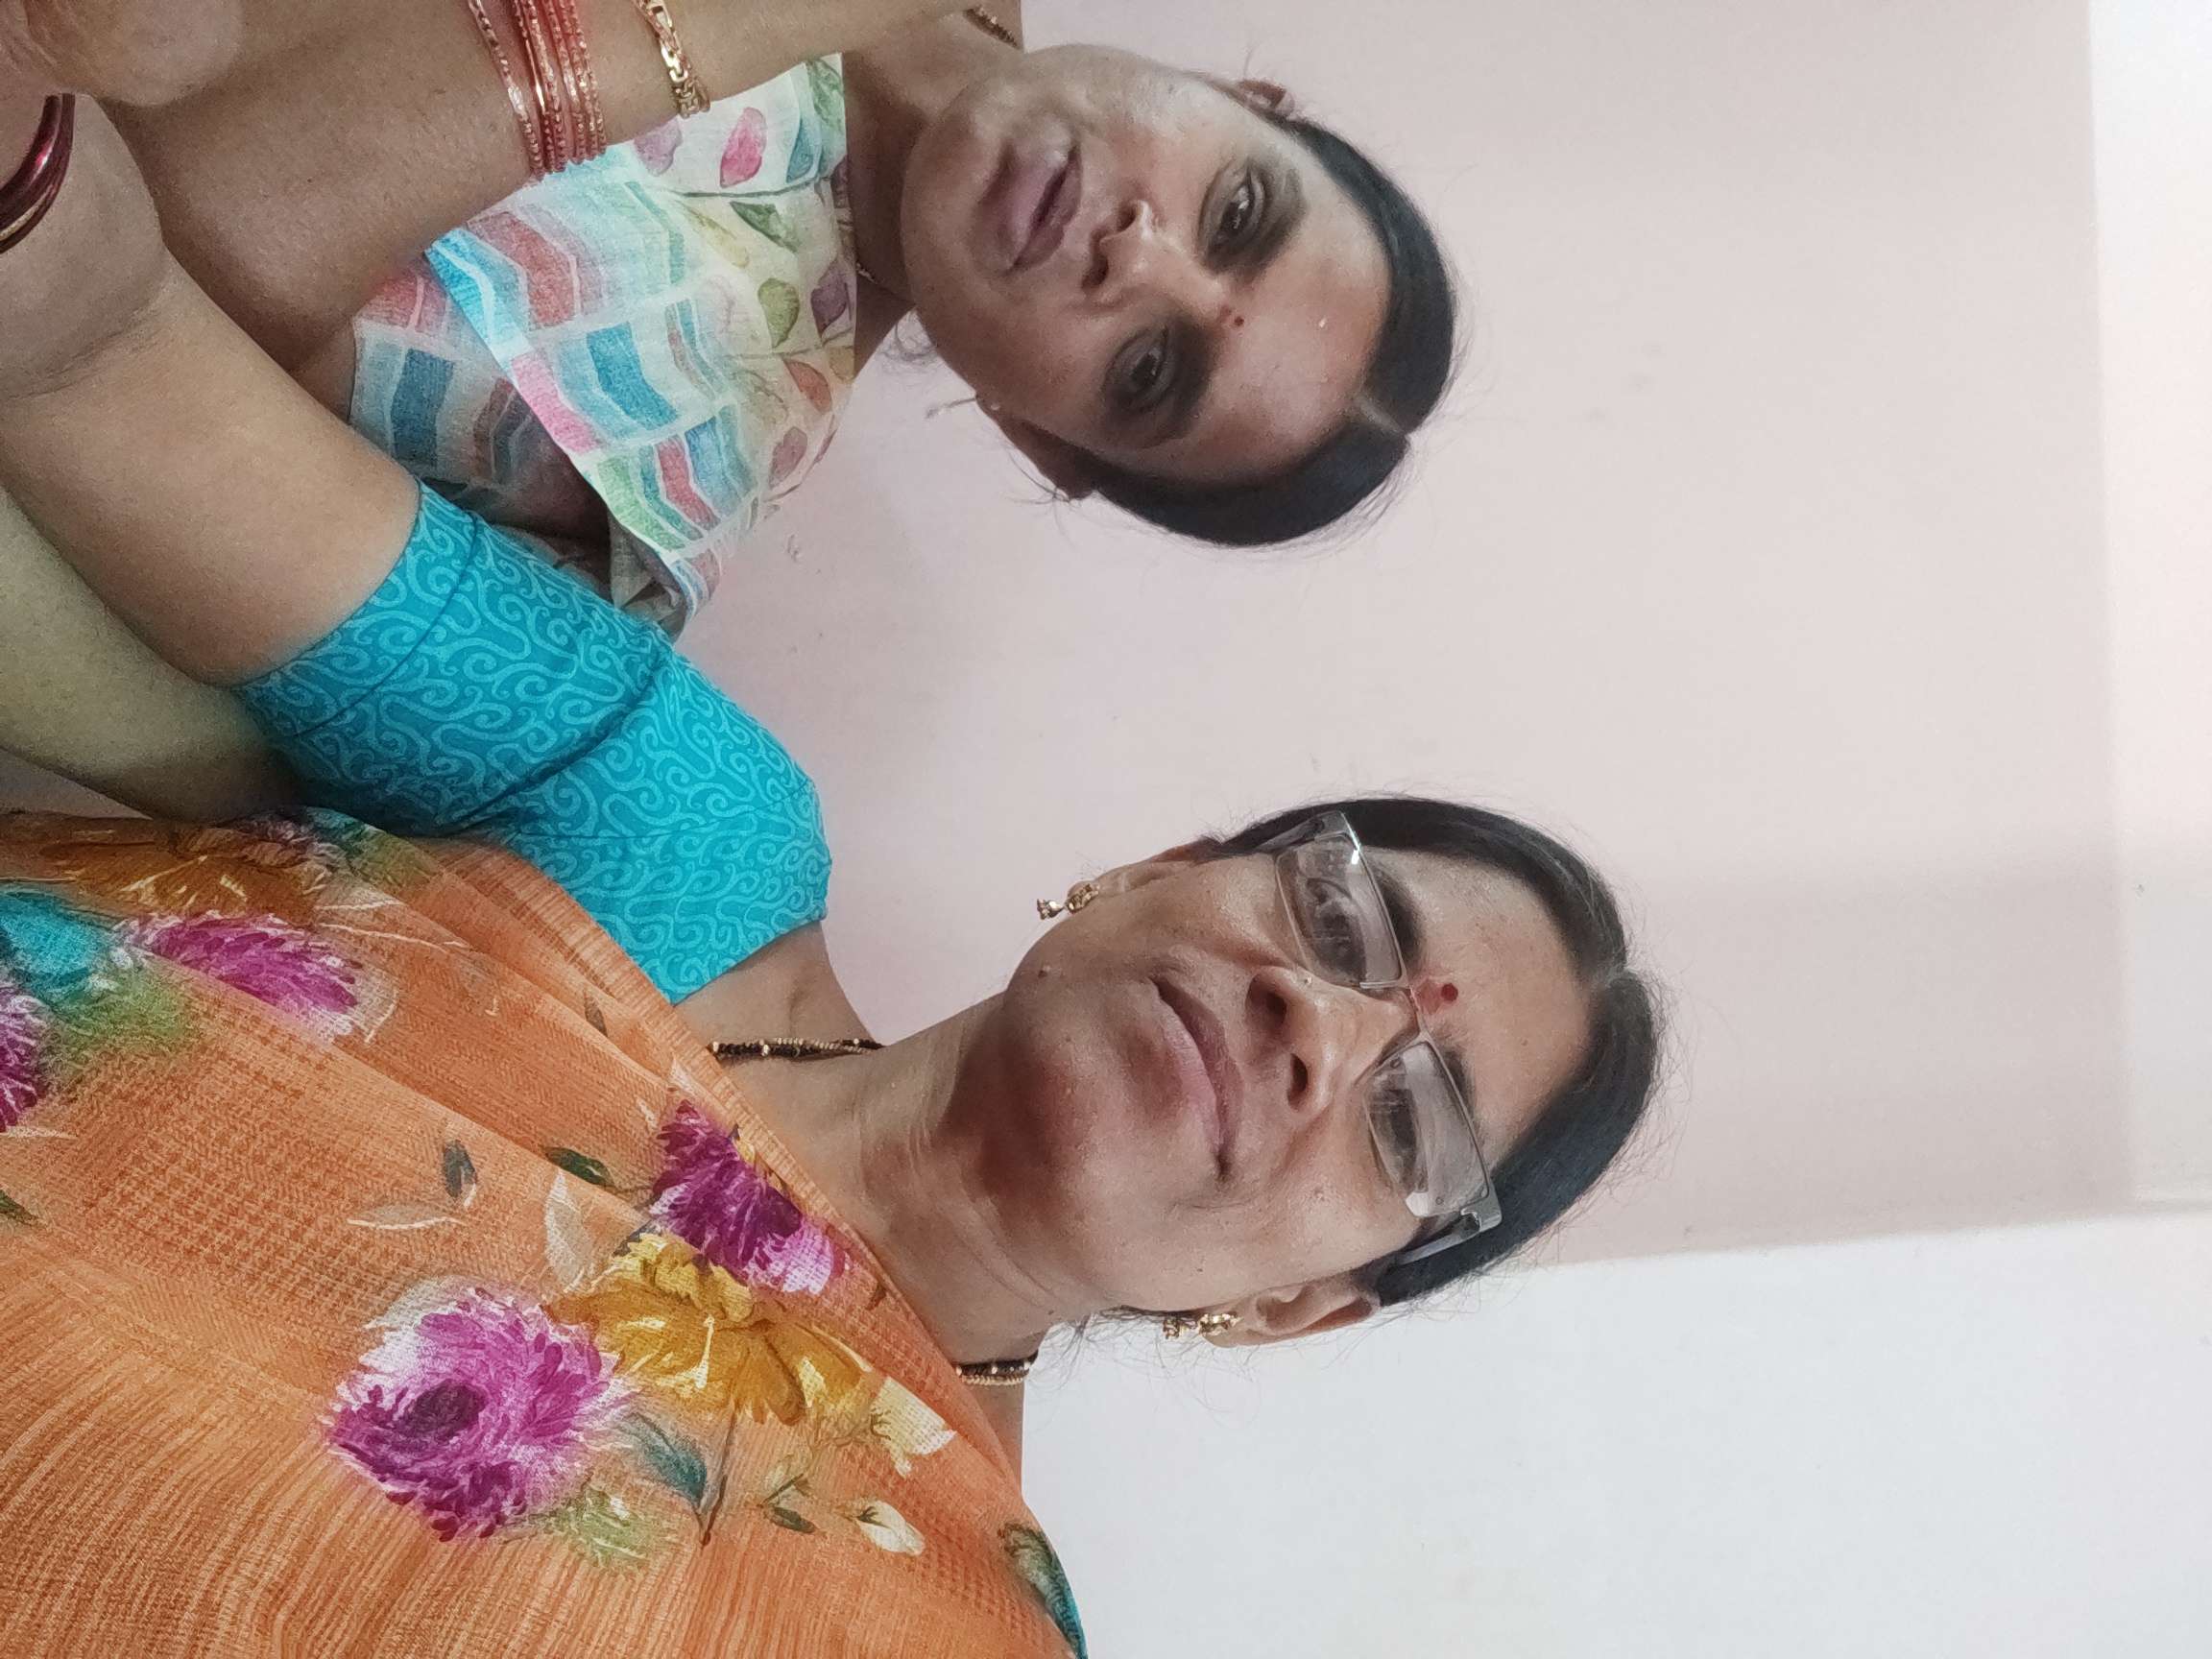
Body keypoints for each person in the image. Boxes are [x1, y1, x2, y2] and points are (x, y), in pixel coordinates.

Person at [0, 83, 1657, 1656]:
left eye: (1409, 1126)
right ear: (1154, 871)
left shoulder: (937, 1627)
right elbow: (109, 365)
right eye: (1341, 914)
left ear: (1305, 1308)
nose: (1321, 1024)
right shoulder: (682, 826)